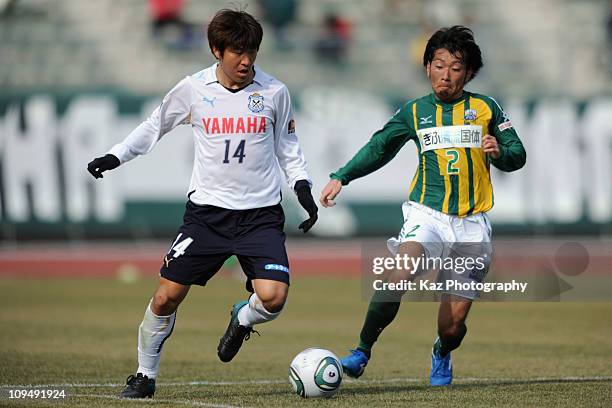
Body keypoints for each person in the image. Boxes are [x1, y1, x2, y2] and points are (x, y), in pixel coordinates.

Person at [87, 9, 318, 399]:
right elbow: (153, 126)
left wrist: (303, 188)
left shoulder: (275, 92)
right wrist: (116, 156)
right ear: (216, 50)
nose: (246, 61)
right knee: (165, 297)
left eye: (253, 52)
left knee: (274, 297)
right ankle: (144, 375)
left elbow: (288, 148)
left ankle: (242, 318)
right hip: (206, 218)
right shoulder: (193, 89)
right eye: (237, 52)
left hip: (259, 217)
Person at [319, 26, 525, 386]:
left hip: (472, 224)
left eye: (456, 67)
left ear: (469, 73)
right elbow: (380, 146)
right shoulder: (415, 111)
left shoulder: (486, 108)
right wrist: (342, 176)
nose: (446, 74)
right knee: (398, 273)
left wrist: (501, 152)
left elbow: (518, 155)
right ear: (427, 67)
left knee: (452, 326)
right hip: (426, 214)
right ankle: (361, 352)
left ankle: (442, 351)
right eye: (438, 65)